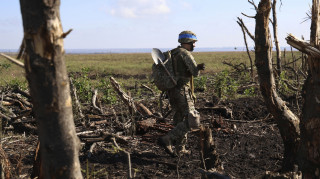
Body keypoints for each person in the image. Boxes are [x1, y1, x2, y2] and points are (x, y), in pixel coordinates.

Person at [157, 30, 205, 157]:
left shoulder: (172, 53)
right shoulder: (185, 53)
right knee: (193, 119)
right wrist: (198, 68)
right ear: (187, 42)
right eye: (193, 43)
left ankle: (180, 149)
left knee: (179, 119)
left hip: (172, 91)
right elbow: (195, 73)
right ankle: (168, 138)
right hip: (183, 91)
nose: (194, 45)